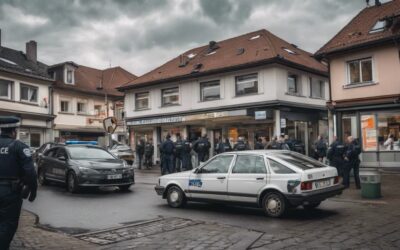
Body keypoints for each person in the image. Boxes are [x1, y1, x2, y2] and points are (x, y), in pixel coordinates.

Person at [0, 116, 37, 249]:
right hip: (10, 192)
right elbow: (30, 172)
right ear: (14, 131)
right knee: (8, 224)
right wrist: (33, 191)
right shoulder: (19, 146)